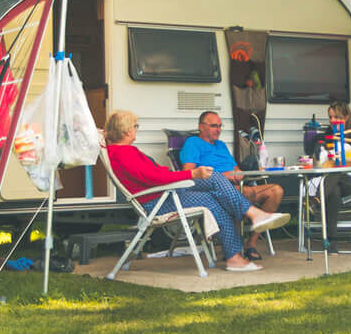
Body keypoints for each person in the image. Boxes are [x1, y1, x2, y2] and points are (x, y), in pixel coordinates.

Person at [104, 110, 290, 272]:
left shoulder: (123, 151)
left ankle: (240, 243)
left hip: (163, 194)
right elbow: (155, 178)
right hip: (158, 202)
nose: (137, 128)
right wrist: (192, 174)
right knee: (213, 186)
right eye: (135, 125)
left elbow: (155, 175)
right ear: (127, 130)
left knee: (213, 181)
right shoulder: (124, 154)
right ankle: (246, 230)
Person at [179, 111, 285, 262]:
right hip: (216, 189)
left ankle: (251, 243)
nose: (218, 129)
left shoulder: (221, 146)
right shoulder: (193, 143)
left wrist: (238, 172)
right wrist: (223, 177)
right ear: (201, 127)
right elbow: (188, 173)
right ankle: (235, 248)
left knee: (276, 191)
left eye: (220, 126)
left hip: (239, 186)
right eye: (214, 126)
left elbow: (234, 168)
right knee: (237, 194)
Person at [308, 102, 351, 255]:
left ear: (346, 118)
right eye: (330, 117)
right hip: (331, 183)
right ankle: (332, 242)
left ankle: (316, 199)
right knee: (334, 190)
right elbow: (319, 163)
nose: (332, 120)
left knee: (337, 173)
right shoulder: (326, 137)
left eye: (336, 117)